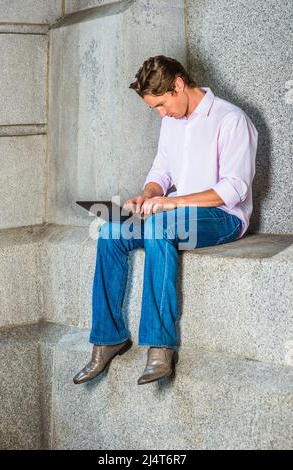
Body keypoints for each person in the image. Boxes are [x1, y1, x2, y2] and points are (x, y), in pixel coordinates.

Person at [73, 55, 258, 386]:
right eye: (153, 108)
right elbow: (161, 171)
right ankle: (107, 337)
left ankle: (160, 346)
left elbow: (234, 188)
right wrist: (148, 194)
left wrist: (172, 202)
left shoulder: (230, 119)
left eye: (161, 104)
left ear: (178, 85)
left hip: (223, 218)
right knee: (111, 231)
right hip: (177, 215)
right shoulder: (171, 122)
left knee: (159, 227)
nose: (161, 113)